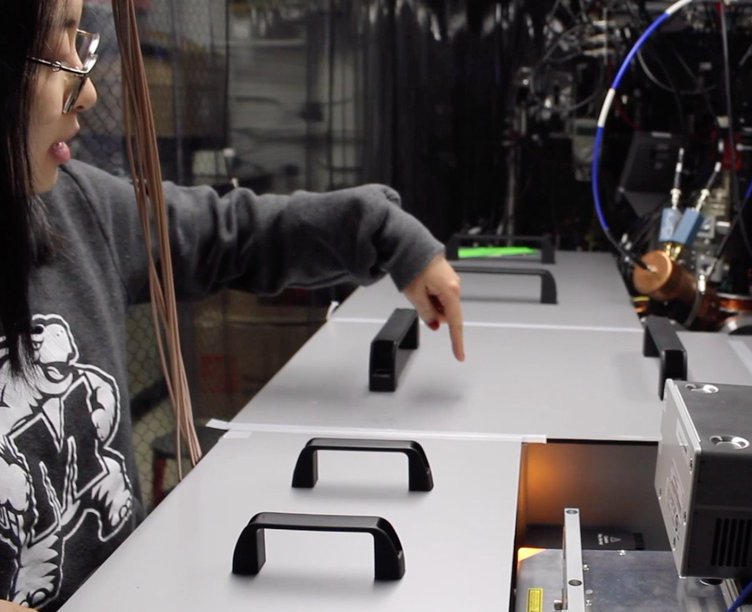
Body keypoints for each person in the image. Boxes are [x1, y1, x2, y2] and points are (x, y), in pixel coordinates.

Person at [0, 0, 466, 608]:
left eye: (78, 40)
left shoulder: (78, 210)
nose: (85, 94)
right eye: (55, 47)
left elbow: (232, 234)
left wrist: (385, 233)